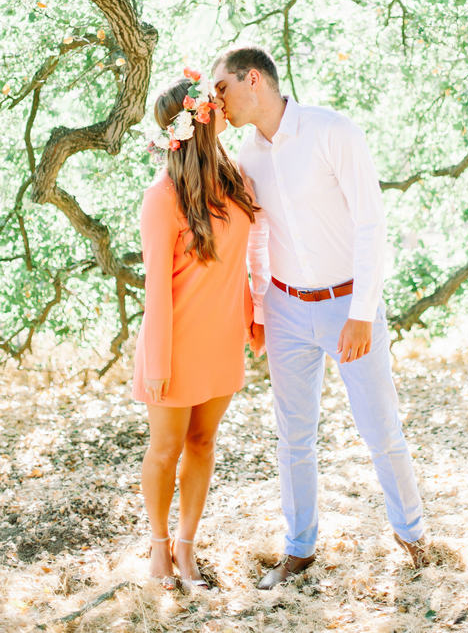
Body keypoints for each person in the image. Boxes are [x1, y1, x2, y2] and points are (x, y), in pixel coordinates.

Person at [212, 47, 429, 590]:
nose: (218, 100)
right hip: (285, 309)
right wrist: (261, 310)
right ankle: (300, 549)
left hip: (348, 303)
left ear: (253, 80)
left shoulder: (334, 131)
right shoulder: (245, 154)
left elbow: (371, 223)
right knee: (294, 438)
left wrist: (360, 313)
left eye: (221, 89)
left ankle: (414, 536)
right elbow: (251, 236)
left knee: (381, 428)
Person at [132, 69, 263, 590]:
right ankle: (159, 547)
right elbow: (156, 290)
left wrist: (252, 317)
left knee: (203, 443)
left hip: (221, 341)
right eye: (212, 104)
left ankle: (187, 545)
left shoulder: (237, 182)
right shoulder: (161, 198)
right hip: (175, 346)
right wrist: (158, 363)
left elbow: (242, 263)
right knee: (165, 450)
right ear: (198, 122)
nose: (221, 107)